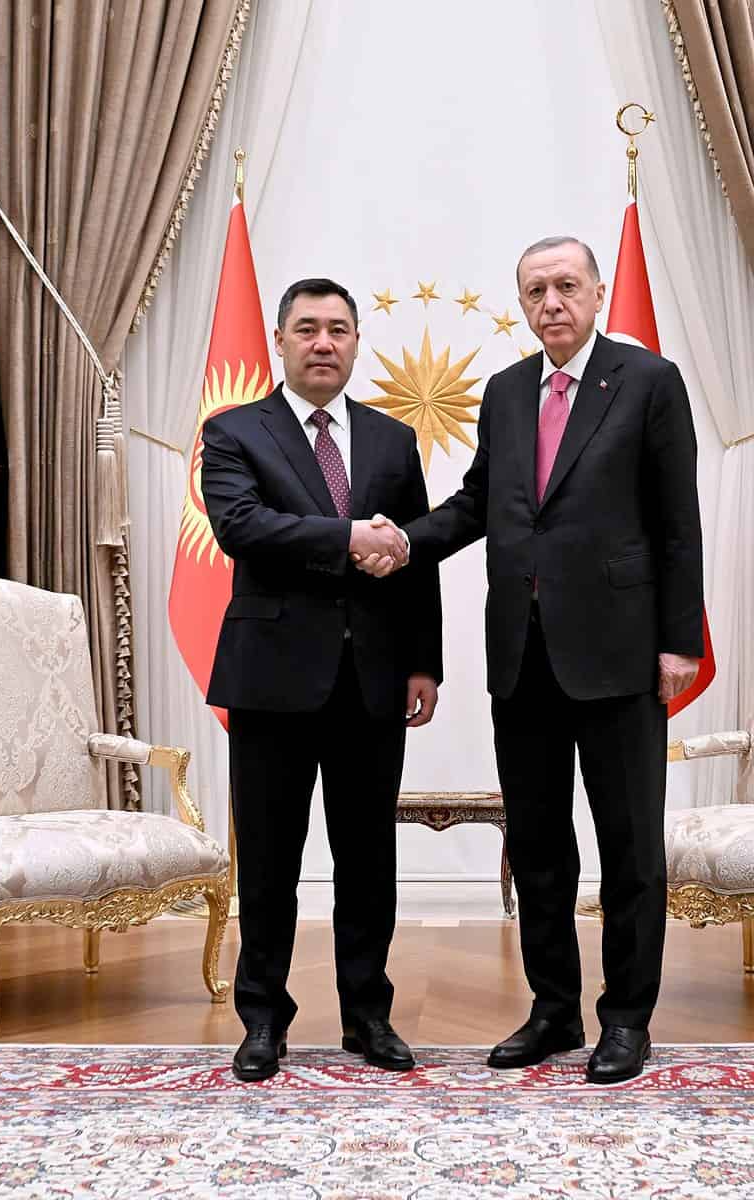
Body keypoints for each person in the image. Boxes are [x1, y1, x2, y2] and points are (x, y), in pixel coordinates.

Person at [367, 237, 703, 1084]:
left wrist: (679, 642)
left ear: (597, 291)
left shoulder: (649, 382)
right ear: (522, 304)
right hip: (522, 653)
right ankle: (554, 1010)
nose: (551, 302)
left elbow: (677, 523)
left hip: (621, 654)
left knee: (630, 847)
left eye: (565, 286)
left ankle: (626, 1019)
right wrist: (404, 542)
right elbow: (481, 501)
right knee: (540, 844)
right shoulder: (508, 391)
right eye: (535, 291)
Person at [201, 277, 442, 1082]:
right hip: (270, 679)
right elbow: (241, 527)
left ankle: (368, 1016)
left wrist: (423, 661)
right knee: (270, 860)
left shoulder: (392, 440)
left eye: (338, 328)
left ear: (356, 342)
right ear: (280, 340)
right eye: (307, 328)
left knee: (368, 860)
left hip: (373, 679)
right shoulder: (234, 430)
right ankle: (262, 1020)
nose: (323, 343)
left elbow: (414, 558)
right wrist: (346, 537)